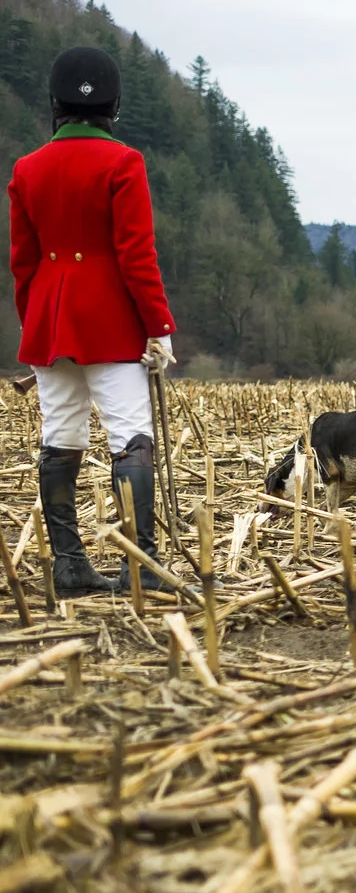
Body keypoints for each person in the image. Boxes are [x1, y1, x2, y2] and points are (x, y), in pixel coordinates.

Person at [9, 46, 180, 595]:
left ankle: (68, 564)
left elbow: (23, 263)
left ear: (54, 102)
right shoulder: (123, 162)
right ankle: (141, 565)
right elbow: (136, 255)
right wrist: (158, 326)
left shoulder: (27, 169)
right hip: (109, 320)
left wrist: (33, 323)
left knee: (60, 437)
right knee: (131, 438)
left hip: (49, 319)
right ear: (114, 103)